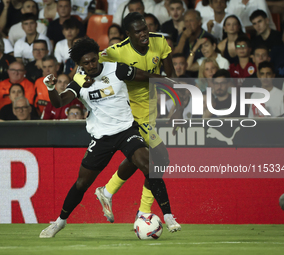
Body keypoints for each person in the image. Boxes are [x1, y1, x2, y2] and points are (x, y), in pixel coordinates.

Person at [39, 37, 180, 238]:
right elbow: (60, 102)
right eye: (85, 63)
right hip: (101, 137)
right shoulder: (79, 80)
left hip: (126, 131)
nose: (91, 65)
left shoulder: (117, 69)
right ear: (80, 65)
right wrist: (51, 88)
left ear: (98, 57)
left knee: (149, 165)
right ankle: (59, 221)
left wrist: (168, 81)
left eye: (93, 60)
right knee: (82, 183)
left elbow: (145, 76)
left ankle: (168, 216)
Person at [96, 12, 179, 229]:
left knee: (141, 159)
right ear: (128, 34)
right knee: (161, 157)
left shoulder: (159, 42)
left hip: (154, 112)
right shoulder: (117, 51)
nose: (145, 34)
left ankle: (107, 191)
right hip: (132, 113)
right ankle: (146, 211)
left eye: (146, 28)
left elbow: (170, 76)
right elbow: (92, 64)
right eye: (139, 31)